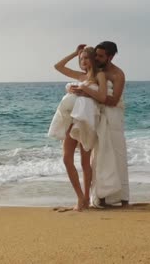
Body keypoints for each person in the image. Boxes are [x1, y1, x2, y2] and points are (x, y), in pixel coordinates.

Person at [70, 41, 130, 208]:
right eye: (96, 55)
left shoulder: (118, 75)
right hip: (98, 116)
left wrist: (89, 94)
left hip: (113, 117)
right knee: (99, 158)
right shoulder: (97, 72)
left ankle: (123, 198)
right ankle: (100, 198)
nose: (96, 58)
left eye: (101, 56)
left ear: (110, 57)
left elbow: (113, 100)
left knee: (117, 156)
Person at [48, 45, 107, 211]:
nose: (83, 61)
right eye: (81, 59)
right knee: (67, 159)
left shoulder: (100, 75)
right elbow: (58, 67)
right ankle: (80, 197)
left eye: (86, 58)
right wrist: (75, 52)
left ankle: (86, 199)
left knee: (85, 162)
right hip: (72, 120)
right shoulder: (80, 76)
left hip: (87, 120)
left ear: (93, 59)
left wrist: (84, 90)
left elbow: (102, 97)